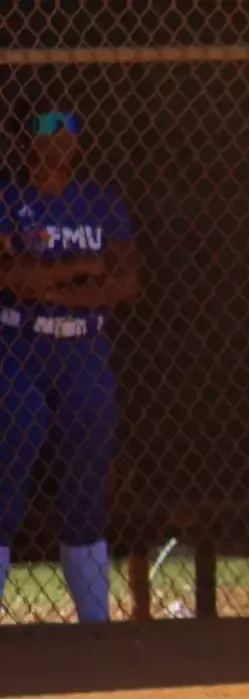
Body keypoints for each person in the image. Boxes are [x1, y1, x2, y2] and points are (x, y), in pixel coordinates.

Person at [0, 107, 141, 623]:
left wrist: (53, 284)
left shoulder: (100, 203)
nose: (59, 136)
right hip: (19, 343)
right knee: (8, 472)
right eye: (46, 125)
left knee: (87, 479)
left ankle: (94, 624)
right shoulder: (9, 199)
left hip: (84, 347)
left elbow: (127, 281)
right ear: (25, 138)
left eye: (69, 126)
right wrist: (83, 268)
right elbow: (14, 276)